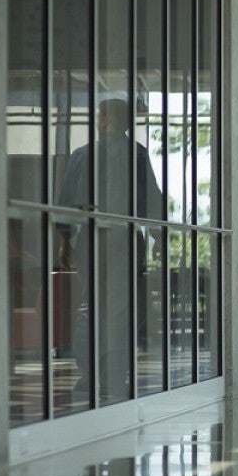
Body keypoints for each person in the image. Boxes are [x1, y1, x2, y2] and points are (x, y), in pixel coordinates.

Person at [57, 98, 164, 402]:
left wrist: (65, 240)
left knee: (92, 306)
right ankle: (114, 375)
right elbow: (151, 199)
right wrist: (158, 236)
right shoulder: (138, 155)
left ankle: (89, 374)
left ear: (104, 120)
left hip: (91, 240)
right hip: (127, 240)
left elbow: (66, 203)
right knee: (120, 309)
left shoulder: (82, 155)